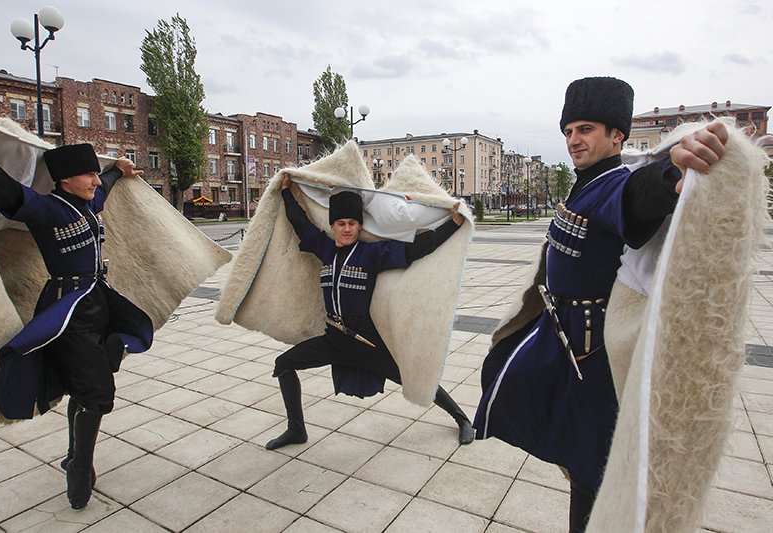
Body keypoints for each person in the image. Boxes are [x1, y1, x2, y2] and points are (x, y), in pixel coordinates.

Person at [472, 77, 729, 533]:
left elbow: (641, 193)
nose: (574, 140)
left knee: (593, 472)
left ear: (616, 136)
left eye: (585, 129)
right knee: (533, 414)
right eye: (568, 130)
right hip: (561, 342)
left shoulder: (613, 184)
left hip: (593, 361)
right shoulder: (583, 184)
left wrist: (673, 171)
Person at [0, 144, 153, 510]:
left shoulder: (87, 201)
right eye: (87, 175)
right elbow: (2, 188)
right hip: (68, 311)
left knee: (84, 389)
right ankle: (80, 469)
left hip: (98, 304)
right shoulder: (46, 209)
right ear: (65, 179)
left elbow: (105, 184)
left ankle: (74, 456)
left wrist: (117, 169)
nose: (93, 181)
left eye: (93, 174)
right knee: (100, 395)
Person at [265, 175, 475, 450]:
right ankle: (296, 430)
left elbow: (416, 249)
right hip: (334, 339)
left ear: (359, 225)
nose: (347, 229)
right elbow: (300, 223)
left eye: (352, 223)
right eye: (341, 224)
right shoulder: (325, 248)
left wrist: (451, 226)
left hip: (366, 342)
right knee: (284, 364)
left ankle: (463, 420)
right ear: (333, 226)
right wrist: (286, 193)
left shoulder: (372, 253)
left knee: (415, 380)